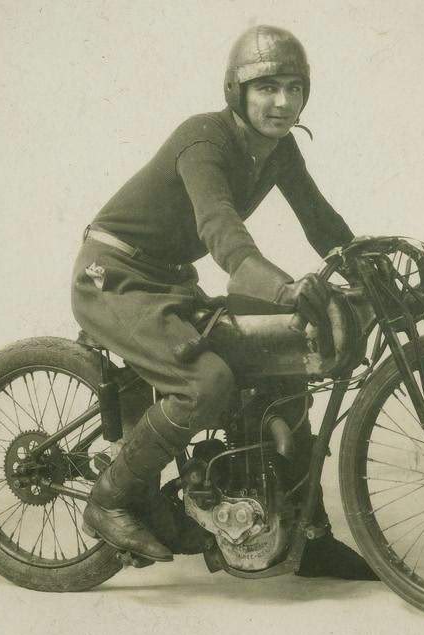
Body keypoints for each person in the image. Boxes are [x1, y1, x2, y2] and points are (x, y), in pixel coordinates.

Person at [71, 25, 376, 580]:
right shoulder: (204, 141)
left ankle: (310, 537)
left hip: (169, 281)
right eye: (266, 87)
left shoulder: (279, 150)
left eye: (293, 87)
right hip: (114, 276)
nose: (282, 102)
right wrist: (284, 290)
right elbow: (222, 233)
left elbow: (319, 219)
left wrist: (366, 264)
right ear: (237, 93)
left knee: (286, 365)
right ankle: (109, 499)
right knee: (205, 383)